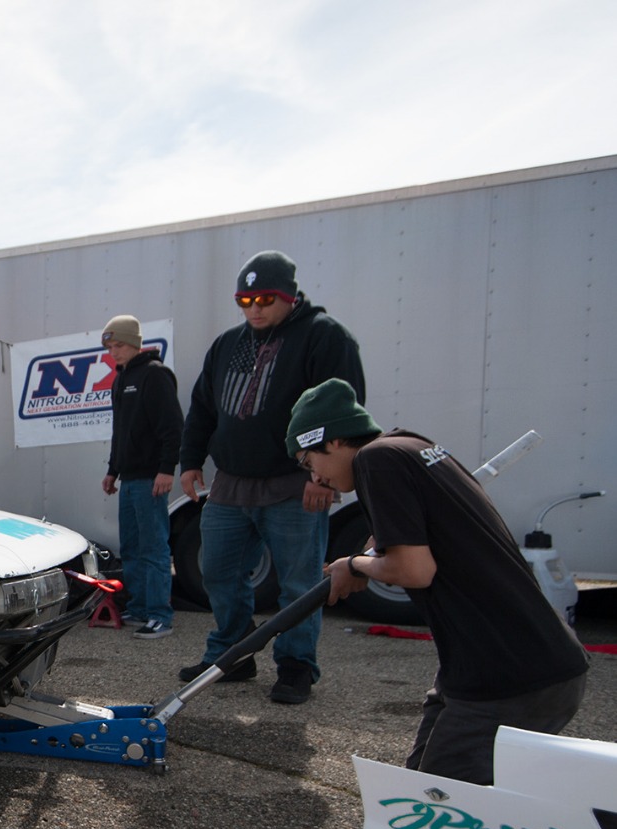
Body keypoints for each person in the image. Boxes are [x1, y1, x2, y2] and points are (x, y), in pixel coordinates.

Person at [288, 379, 588, 784]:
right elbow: (406, 533)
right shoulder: (409, 446)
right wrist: (363, 557)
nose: (315, 477)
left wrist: (356, 565)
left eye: (309, 462)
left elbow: (414, 569)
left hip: (509, 675)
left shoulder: (376, 461)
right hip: (502, 662)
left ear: (334, 440)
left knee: (443, 811)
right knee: (418, 790)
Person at [178, 250, 366, 704]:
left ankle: (296, 666)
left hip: (293, 482)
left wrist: (322, 479)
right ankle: (233, 655)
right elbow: (203, 406)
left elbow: (342, 410)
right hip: (230, 482)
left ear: (289, 295)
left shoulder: (325, 337)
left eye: (265, 298)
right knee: (218, 572)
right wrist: (190, 460)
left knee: (299, 583)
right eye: (245, 300)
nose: (254, 308)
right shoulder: (226, 344)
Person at [100, 316, 183, 640]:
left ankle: (161, 615)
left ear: (135, 342)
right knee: (132, 547)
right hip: (129, 479)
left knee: (153, 548)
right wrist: (112, 470)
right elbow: (120, 432)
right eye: (109, 347)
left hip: (151, 478)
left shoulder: (155, 375)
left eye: (118, 345)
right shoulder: (121, 379)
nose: (114, 352)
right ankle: (139, 606)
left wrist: (166, 469)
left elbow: (172, 427)